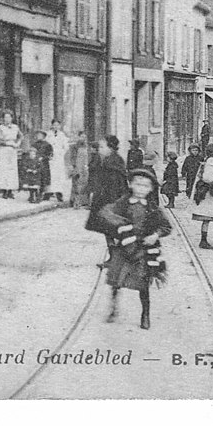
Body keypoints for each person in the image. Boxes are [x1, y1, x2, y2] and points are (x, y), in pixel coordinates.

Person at [96, 167, 171, 330]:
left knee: (143, 286)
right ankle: (113, 307)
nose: (141, 189)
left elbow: (166, 226)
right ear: (130, 185)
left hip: (143, 251)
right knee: (116, 281)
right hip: (124, 249)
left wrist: (155, 235)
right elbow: (106, 215)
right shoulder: (122, 203)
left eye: (145, 186)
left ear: (151, 189)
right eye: (138, 184)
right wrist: (117, 228)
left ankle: (145, 315)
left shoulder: (152, 208)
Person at [85, 136, 129, 264]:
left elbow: (117, 186)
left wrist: (110, 205)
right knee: (107, 229)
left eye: (102, 147)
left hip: (111, 201)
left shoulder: (114, 162)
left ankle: (118, 258)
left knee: (113, 229)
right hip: (104, 199)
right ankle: (113, 257)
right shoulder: (105, 160)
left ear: (111, 148)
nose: (99, 149)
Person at [0, 111, 22, 199]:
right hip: (4, 149)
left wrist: (17, 144)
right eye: (5, 117)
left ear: (12, 118)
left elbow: (21, 136)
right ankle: (4, 190)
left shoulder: (15, 127)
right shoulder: (1, 127)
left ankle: (10, 190)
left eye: (9, 117)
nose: (7, 119)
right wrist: (8, 144)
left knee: (12, 170)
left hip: (12, 150)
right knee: (3, 170)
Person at [44, 120, 71, 202]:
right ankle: (48, 193)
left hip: (59, 157)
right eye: (54, 125)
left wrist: (61, 153)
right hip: (50, 157)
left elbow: (66, 147)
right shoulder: (48, 134)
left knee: (58, 175)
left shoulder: (62, 135)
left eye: (57, 125)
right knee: (50, 175)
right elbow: (46, 145)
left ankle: (59, 193)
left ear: (60, 126)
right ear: (52, 125)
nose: (56, 127)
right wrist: (48, 153)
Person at [69, 131, 90, 208]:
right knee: (76, 184)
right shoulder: (74, 146)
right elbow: (72, 157)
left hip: (84, 167)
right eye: (81, 137)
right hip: (77, 166)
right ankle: (74, 201)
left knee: (84, 183)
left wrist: (87, 165)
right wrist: (73, 166)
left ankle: (83, 201)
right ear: (78, 137)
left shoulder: (87, 146)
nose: (83, 139)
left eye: (84, 137)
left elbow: (88, 157)